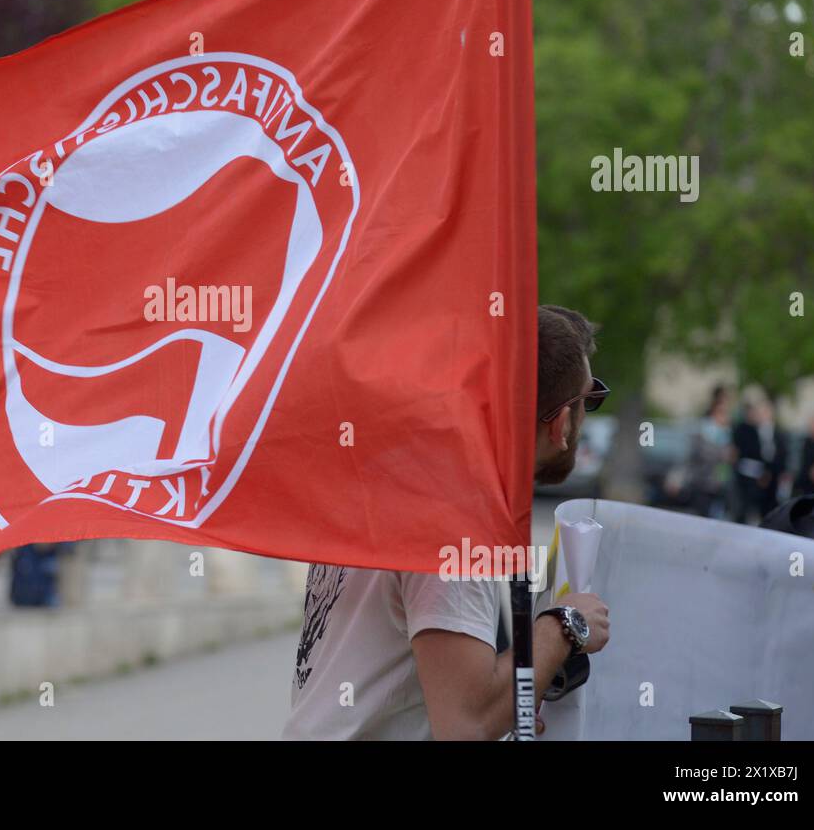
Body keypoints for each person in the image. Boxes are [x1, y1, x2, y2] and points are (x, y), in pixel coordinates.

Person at [283, 305, 611, 740]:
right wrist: (565, 624)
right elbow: (465, 724)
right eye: (590, 399)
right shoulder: (453, 513)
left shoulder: (399, 472)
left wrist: (508, 702)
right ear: (563, 422)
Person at [732, 400, 788, 523]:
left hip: (774, 478)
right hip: (755, 479)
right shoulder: (751, 431)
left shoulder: (780, 433)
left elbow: (782, 455)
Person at [685, 392, 735, 519]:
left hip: (722, 483)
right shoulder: (702, 431)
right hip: (703, 482)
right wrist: (722, 455)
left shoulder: (729, 433)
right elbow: (701, 453)